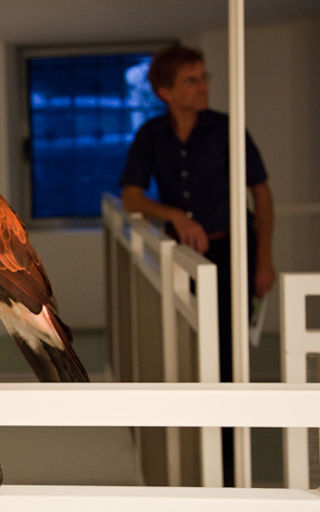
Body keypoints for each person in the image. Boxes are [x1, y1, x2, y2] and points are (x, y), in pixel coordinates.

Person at [119, 44, 276, 486]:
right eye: (193, 80)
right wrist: (174, 216)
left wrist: (264, 260)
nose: (204, 86)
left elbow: (260, 192)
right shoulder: (151, 135)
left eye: (204, 77)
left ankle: (228, 460)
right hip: (182, 258)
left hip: (233, 253)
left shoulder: (226, 129)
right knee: (187, 347)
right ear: (166, 91)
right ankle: (196, 434)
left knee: (228, 352)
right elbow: (131, 196)